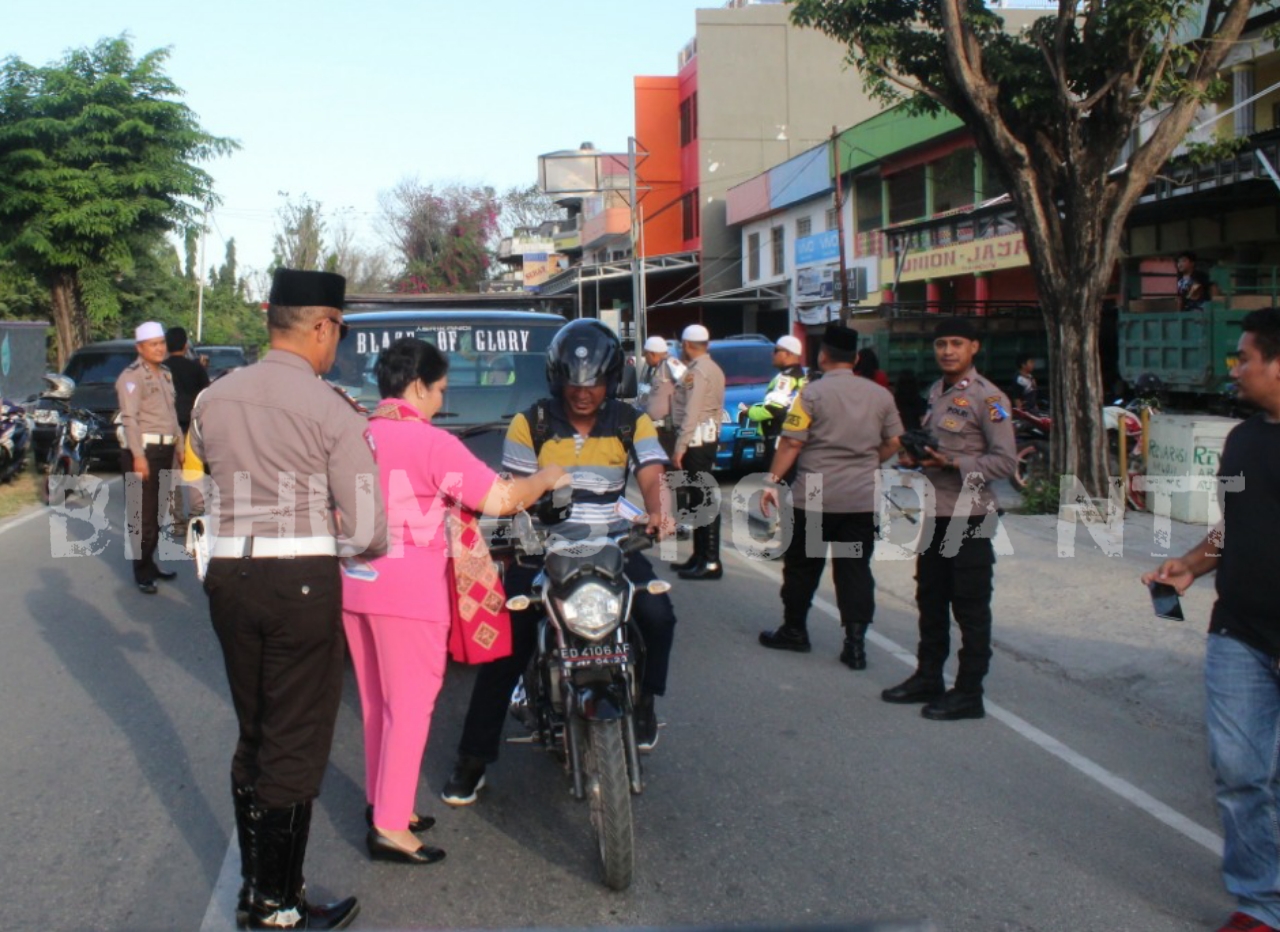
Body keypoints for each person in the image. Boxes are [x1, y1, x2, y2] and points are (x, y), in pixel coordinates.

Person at [189, 268, 387, 930]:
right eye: (339, 332)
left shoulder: (213, 398)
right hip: (300, 577)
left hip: (228, 579)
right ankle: (278, 906)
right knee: (295, 742)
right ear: (323, 326)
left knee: (256, 730)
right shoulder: (332, 408)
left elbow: (200, 482)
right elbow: (366, 529)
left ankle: (256, 888)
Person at [343, 338, 565, 865]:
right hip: (409, 595)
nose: (441, 401)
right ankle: (392, 828)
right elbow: (501, 500)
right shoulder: (429, 444)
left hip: (355, 584)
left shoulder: (357, 435)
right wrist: (549, 476)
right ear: (418, 385)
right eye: (440, 390)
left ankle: (384, 804)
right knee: (412, 707)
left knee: (378, 705)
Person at [441, 318, 677, 805]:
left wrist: (658, 514)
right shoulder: (533, 423)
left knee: (658, 615)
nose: (583, 394)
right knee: (507, 645)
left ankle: (646, 701)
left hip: (613, 544)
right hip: (542, 547)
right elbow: (518, 492)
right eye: (574, 383)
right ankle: (472, 759)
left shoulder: (633, 421)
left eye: (593, 384)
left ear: (612, 380)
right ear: (557, 379)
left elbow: (653, 475)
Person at [1142, 308, 1280, 932]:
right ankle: (1261, 903)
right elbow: (1236, 525)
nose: (1236, 367)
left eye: (1245, 357)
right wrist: (1193, 566)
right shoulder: (1244, 438)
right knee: (1240, 770)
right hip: (1240, 633)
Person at [880, 316, 1017, 721]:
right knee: (931, 598)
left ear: (974, 347)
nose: (947, 351)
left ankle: (969, 692)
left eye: (956, 343)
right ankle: (928, 676)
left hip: (971, 516)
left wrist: (952, 462)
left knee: (971, 607)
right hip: (936, 513)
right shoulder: (937, 392)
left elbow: (1005, 462)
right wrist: (917, 459)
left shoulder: (990, 399)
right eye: (941, 343)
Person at [757, 323, 902, 669]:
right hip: (860, 501)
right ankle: (854, 646)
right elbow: (895, 441)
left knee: (803, 568)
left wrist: (771, 480)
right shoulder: (880, 396)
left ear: (822, 356)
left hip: (814, 499)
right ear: (854, 357)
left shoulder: (811, 394)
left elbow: (792, 441)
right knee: (854, 568)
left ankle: (795, 631)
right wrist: (867, 462)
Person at [115, 320, 184, 594]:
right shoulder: (130, 377)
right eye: (153, 345)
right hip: (142, 453)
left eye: (161, 343)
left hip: (165, 450)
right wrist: (138, 456)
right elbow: (129, 419)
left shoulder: (165, 373)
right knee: (141, 515)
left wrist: (178, 445)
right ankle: (141, 571)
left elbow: (171, 414)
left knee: (157, 513)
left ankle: (150, 563)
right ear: (140, 348)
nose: (159, 349)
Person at [669, 323, 726, 580]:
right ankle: (699, 555)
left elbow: (692, 411)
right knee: (698, 498)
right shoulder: (712, 368)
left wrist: (680, 447)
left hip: (696, 440)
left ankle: (711, 560)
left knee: (703, 499)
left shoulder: (698, 372)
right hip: (706, 437)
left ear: (687, 345)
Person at [162, 326, 211, 524]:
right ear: (185, 345)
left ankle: (178, 520)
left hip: (168, 428)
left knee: (173, 475)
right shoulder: (196, 368)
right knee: (194, 472)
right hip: (192, 427)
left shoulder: (160, 369)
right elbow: (206, 397)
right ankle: (196, 515)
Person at [746, 334, 808, 460]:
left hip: (779, 438)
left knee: (777, 477)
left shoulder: (786, 378)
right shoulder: (801, 375)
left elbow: (774, 409)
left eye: (776, 351)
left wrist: (749, 411)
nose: (772, 355)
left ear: (787, 354)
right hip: (794, 435)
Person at [641, 334, 685, 458]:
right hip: (657, 428)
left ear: (653, 354)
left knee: (668, 466)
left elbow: (688, 382)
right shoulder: (657, 368)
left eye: (646, 355)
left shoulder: (670, 363)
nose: (645, 358)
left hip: (667, 428)